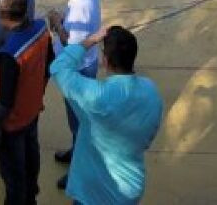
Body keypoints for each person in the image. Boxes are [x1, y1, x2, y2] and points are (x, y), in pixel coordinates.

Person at [50, 26, 163, 205]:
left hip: (93, 192)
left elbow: (58, 67)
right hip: (130, 188)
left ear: (105, 59)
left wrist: (91, 40)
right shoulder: (150, 90)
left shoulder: (95, 96)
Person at [0, 0, 53, 205]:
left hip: (13, 122)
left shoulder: (9, 53)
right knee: (31, 157)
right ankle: (31, 197)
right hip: (32, 110)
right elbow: (48, 65)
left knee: (14, 174)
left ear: (1, 14)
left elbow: (5, 102)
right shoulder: (41, 29)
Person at [46, 0, 102, 188]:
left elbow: (74, 46)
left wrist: (58, 23)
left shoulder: (81, 6)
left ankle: (79, 172)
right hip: (81, 68)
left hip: (78, 71)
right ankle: (75, 150)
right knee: (76, 120)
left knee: (80, 122)